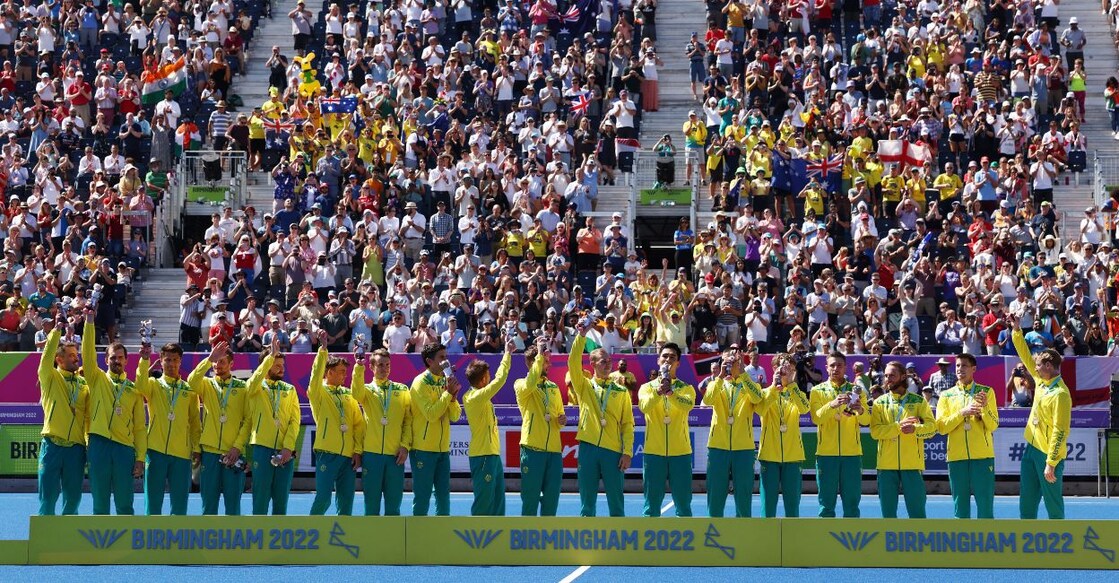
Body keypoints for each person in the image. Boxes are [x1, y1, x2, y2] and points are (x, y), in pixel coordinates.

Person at [187, 340, 276, 515]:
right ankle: (208, 542)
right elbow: (191, 381)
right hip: (210, 453)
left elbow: (248, 421)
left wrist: (237, 447)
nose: (217, 365)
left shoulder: (242, 388)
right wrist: (208, 359)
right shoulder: (206, 384)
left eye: (221, 361)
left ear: (231, 364)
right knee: (208, 505)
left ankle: (232, 543)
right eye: (215, 362)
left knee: (233, 505)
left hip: (233, 453)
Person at [569, 319, 635, 517]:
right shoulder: (584, 386)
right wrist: (580, 337)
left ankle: (619, 543)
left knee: (616, 502)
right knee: (587, 502)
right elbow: (572, 362)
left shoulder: (621, 391)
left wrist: (627, 452)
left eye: (609, 361)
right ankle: (587, 543)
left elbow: (627, 425)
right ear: (592, 364)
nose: (608, 365)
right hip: (588, 447)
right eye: (603, 361)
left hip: (613, 451)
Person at [82, 316, 145, 515]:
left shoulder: (133, 389)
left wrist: (140, 457)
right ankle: (100, 543)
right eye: (112, 357)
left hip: (124, 448)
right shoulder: (96, 378)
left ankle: (125, 544)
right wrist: (90, 322)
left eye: (119, 357)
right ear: (105, 359)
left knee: (125, 500)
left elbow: (139, 428)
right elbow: (87, 353)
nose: (116, 361)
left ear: (126, 360)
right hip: (98, 444)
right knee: (100, 500)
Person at [1011, 315, 1072, 519]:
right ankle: (1026, 541)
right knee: (1026, 501)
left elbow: (1060, 430)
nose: (1033, 368)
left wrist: (1051, 461)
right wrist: (1017, 331)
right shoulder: (1040, 380)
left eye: (1038, 365)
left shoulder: (1061, 394)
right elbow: (1026, 357)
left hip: (1048, 455)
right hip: (1031, 448)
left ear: (1048, 365)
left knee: (1052, 502)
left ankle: (1061, 544)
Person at [135, 342, 201, 516]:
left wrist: (196, 448)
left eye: (175, 360)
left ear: (180, 362)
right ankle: (151, 539)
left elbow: (195, 422)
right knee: (153, 503)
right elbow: (139, 385)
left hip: (181, 454)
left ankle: (176, 540)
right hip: (155, 451)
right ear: (161, 361)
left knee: (179, 505)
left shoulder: (189, 390)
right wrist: (144, 360)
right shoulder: (153, 384)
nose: (171, 364)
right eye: (167, 360)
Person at [702, 344, 765, 517]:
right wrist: (720, 376)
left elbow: (758, 398)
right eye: (727, 361)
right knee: (715, 493)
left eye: (735, 361)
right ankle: (713, 531)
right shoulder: (717, 383)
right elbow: (707, 400)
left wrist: (743, 374)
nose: (731, 364)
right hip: (717, 446)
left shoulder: (749, 384)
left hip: (743, 448)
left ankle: (743, 532)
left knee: (744, 495)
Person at [934, 353, 999, 519]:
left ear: (973, 369)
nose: (959, 369)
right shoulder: (946, 395)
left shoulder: (986, 392)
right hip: (956, 457)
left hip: (982, 457)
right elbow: (941, 428)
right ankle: (961, 543)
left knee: (985, 506)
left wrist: (984, 410)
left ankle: (986, 543)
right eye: (957, 366)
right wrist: (962, 413)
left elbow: (993, 425)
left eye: (963, 366)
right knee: (960, 506)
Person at [351, 348, 412, 516]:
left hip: (395, 456)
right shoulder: (367, 390)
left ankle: (392, 541)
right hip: (371, 455)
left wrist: (405, 446)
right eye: (380, 365)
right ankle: (372, 540)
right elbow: (355, 394)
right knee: (371, 505)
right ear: (372, 367)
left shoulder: (402, 389)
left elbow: (408, 421)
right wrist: (358, 367)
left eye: (387, 365)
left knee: (393, 505)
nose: (384, 368)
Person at [306, 335, 364, 516]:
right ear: (328, 372)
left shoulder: (348, 394)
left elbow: (358, 424)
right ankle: (312, 531)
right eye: (340, 372)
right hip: (327, 453)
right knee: (324, 498)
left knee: (346, 500)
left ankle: (343, 537)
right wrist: (323, 351)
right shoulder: (318, 392)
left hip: (348, 456)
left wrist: (357, 450)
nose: (344, 376)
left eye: (345, 372)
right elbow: (315, 375)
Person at [870, 361, 936, 518]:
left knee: (917, 514)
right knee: (888, 514)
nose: (888, 379)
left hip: (912, 465)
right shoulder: (879, 402)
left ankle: (919, 542)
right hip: (886, 466)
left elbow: (932, 428)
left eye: (892, 375)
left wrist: (915, 429)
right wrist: (897, 428)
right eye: (886, 376)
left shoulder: (918, 401)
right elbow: (875, 432)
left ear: (903, 376)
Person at [637, 342, 696, 517]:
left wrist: (671, 393)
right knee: (651, 505)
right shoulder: (646, 388)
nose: (668, 360)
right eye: (665, 356)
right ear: (658, 360)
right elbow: (644, 407)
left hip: (681, 453)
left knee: (683, 505)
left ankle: (686, 542)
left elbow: (687, 406)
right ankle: (649, 542)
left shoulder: (686, 388)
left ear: (678, 363)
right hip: (653, 452)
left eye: (672, 357)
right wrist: (658, 392)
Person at [808, 351, 869, 518]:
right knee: (826, 505)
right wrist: (832, 405)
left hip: (852, 455)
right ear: (826, 368)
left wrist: (860, 410)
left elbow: (866, 420)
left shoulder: (856, 390)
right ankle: (826, 542)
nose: (836, 369)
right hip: (826, 455)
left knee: (852, 505)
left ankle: (851, 542)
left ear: (845, 368)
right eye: (832, 365)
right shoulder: (817, 391)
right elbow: (816, 418)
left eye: (839, 365)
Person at [37, 322, 89, 515]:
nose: (76, 359)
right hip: (52, 445)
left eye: (77, 356)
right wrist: (56, 330)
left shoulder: (83, 384)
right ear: (59, 359)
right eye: (71, 356)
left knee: (73, 497)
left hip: (76, 448)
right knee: (48, 496)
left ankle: (69, 539)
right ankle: (44, 538)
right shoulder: (50, 377)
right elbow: (45, 357)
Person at [243, 348, 301, 515]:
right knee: (260, 498)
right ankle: (259, 538)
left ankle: (279, 538)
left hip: (285, 451)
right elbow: (253, 383)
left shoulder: (290, 389)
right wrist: (269, 358)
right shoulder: (255, 387)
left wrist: (288, 448)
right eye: (276, 365)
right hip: (262, 448)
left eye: (282, 365)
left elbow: (294, 421)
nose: (281, 369)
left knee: (281, 499)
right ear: (266, 365)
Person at [409, 342, 462, 516]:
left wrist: (453, 397)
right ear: (429, 361)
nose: (446, 361)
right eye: (442, 358)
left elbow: (454, 416)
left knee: (443, 497)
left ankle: (442, 536)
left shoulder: (445, 381)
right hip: (423, 449)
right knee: (423, 497)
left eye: (446, 357)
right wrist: (448, 394)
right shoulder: (419, 383)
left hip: (442, 450)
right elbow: (431, 415)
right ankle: (416, 538)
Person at [463, 341, 515, 515]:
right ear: (483, 379)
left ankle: (497, 537)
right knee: (484, 501)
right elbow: (500, 380)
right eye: (488, 375)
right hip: (482, 455)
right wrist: (507, 354)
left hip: (492, 454)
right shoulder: (473, 397)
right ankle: (476, 539)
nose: (490, 377)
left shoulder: (479, 396)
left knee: (499, 500)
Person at [515, 337, 565, 516]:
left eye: (549, 361)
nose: (548, 365)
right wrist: (539, 353)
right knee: (530, 498)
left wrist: (561, 420)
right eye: (545, 361)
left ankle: (547, 538)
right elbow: (531, 382)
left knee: (552, 499)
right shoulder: (522, 384)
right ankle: (527, 538)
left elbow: (560, 413)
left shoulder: (553, 387)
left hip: (554, 450)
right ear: (532, 362)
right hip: (532, 449)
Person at [757, 353, 810, 517]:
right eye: (783, 366)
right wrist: (774, 387)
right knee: (768, 506)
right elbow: (760, 410)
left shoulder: (796, 393)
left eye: (790, 368)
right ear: (774, 368)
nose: (786, 370)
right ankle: (766, 539)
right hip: (769, 455)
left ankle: (792, 540)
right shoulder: (764, 392)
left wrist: (792, 385)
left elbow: (804, 409)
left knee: (792, 506)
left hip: (793, 456)